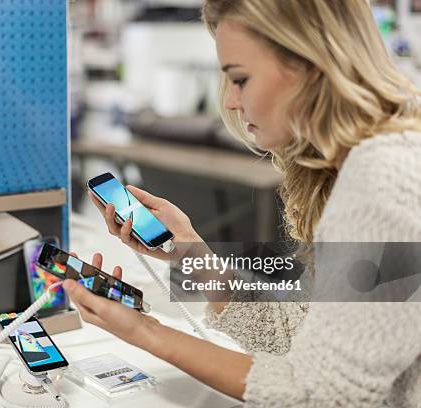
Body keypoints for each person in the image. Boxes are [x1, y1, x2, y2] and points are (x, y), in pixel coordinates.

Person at [63, 0, 421, 406]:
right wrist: (191, 253)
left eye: (241, 79)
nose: (231, 102)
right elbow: (298, 331)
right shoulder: (360, 165)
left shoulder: (382, 181)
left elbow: (320, 393)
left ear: (311, 65)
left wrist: (145, 332)